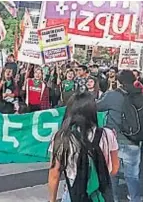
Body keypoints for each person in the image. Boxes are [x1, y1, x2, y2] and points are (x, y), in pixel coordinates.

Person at [48, 92, 119, 202]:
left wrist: (52, 199)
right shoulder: (108, 134)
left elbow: (54, 173)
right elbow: (114, 168)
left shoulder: (62, 136)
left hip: (73, 193)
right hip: (101, 194)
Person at [97, 70, 142, 202]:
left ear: (118, 81)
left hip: (114, 141)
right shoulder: (139, 94)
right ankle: (136, 199)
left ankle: (114, 199)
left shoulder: (113, 95)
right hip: (133, 141)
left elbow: (96, 106)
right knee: (132, 175)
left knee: (113, 173)